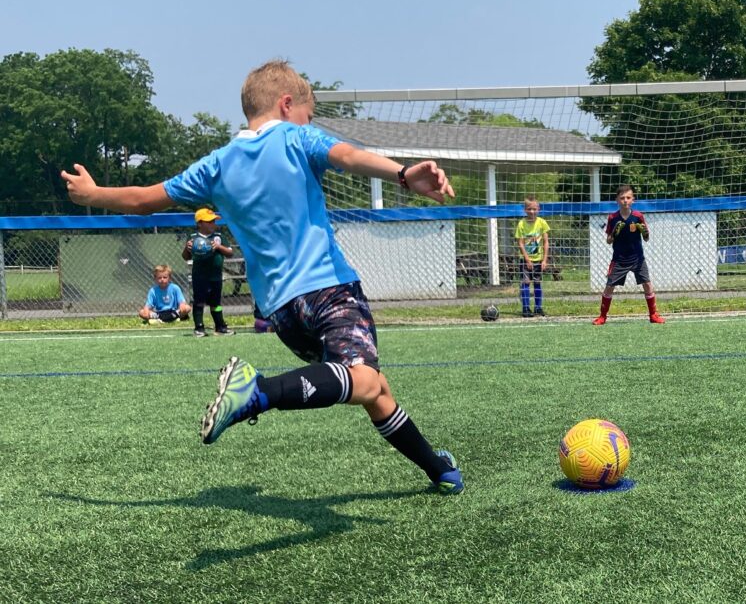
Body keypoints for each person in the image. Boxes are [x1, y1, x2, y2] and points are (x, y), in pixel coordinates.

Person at [61, 59, 463, 495]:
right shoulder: (295, 138)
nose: (310, 123)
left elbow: (143, 199)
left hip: (283, 315)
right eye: (309, 115)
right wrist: (402, 174)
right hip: (329, 290)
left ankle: (438, 468)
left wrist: (94, 194)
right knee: (362, 379)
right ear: (287, 104)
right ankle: (257, 392)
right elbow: (346, 155)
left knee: (373, 389)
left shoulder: (216, 165)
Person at [593, 185, 664, 325]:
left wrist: (645, 232)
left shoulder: (638, 216)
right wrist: (614, 233)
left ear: (633, 200)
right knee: (609, 286)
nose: (625, 200)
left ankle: (653, 315)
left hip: (638, 259)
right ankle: (602, 317)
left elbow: (647, 238)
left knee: (648, 284)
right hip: (619, 259)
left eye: (628, 197)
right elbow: (608, 241)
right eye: (622, 198)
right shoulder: (612, 217)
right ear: (617, 200)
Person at [182, 207, 235, 337]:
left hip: (216, 275)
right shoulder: (193, 238)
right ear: (199, 223)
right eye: (209, 221)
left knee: (216, 303)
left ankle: (220, 326)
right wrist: (187, 248)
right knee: (199, 301)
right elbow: (186, 257)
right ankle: (199, 327)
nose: (213, 224)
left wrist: (218, 247)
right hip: (200, 276)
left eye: (214, 221)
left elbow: (230, 253)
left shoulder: (219, 236)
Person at [514, 195, 550, 317]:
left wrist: (544, 260)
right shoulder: (521, 224)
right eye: (529, 209)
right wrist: (527, 259)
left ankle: (538, 308)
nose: (532, 211)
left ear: (538, 209)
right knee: (526, 282)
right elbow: (520, 243)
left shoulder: (542, 223)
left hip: (538, 260)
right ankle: (525, 308)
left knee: (537, 283)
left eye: (534, 209)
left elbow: (545, 242)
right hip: (525, 260)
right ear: (525, 210)